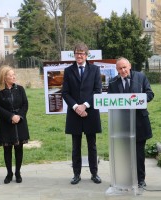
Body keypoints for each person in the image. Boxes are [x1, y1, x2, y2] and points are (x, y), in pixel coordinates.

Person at [107, 57, 154, 188]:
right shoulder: (112, 82)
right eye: (120, 68)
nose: (123, 71)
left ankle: (140, 180)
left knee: (139, 153)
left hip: (139, 121)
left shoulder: (140, 77)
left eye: (124, 68)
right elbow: (110, 100)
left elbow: (150, 93)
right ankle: (124, 179)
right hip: (121, 123)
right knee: (123, 153)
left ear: (130, 66)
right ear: (116, 70)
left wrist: (139, 99)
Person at [62, 42, 102, 185]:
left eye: (82, 53)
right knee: (75, 146)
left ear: (87, 55)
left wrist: (84, 106)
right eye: (77, 53)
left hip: (90, 113)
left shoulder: (95, 70)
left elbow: (98, 90)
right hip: (74, 114)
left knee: (92, 145)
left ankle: (94, 173)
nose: (79, 55)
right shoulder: (68, 71)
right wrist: (76, 107)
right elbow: (65, 92)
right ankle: (76, 174)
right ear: (74, 55)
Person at [0, 65, 30, 184]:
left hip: (20, 122)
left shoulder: (20, 89)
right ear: (4, 77)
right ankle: (9, 173)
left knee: (19, 149)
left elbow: (25, 104)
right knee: (7, 150)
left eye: (14, 74)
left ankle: (18, 172)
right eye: (11, 75)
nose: (13, 76)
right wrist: (11, 117)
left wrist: (19, 116)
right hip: (6, 123)